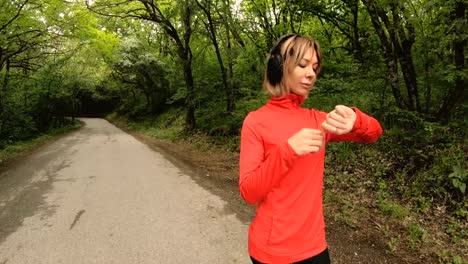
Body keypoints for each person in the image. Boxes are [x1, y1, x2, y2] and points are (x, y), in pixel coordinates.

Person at [239, 34, 383, 264]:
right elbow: (249, 192)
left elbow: (374, 133)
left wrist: (356, 119)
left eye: (315, 67)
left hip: (314, 247)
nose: (311, 74)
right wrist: (287, 151)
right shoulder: (255, 122)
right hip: (271, 252)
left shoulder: (317, 120)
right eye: (303, 65)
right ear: (278, 67)